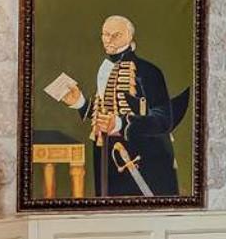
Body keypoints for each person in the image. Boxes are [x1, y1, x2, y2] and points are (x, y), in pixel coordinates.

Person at [57, 15, 187, 197]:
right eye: (105, 34)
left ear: (129, 36)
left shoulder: (149, 72)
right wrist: (80, 103)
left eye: (116, 35)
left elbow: (163, 120)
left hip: (142, 160)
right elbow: (106, 112)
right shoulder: (106, 68)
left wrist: (120, 123)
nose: (108, 39)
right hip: (106, 158)